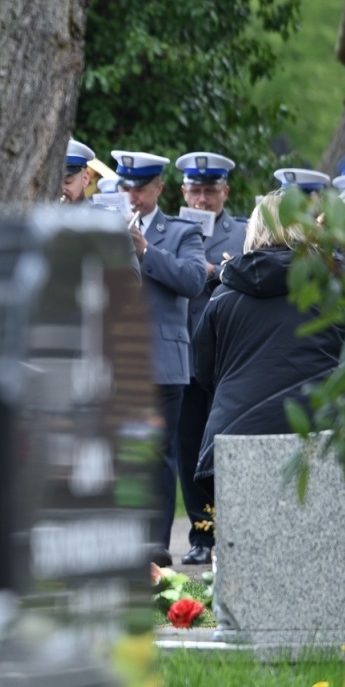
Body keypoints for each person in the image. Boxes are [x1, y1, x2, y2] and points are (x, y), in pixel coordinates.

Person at [191, 196, 344, 504]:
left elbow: (203, 372)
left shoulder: (224, 296)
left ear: (255, 229)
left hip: (237, 437)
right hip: (322, 436)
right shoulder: (337, 291)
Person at [111, 149, 206, 563]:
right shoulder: (101, 226)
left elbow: (192, 281)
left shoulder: (182, 231)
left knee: (160, 458)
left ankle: (156, 549)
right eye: (126, 187)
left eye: (141, 189)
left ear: (159, 189)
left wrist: (146, 250)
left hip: (163, 362)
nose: (132, 197)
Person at [171, 151, 246, 566]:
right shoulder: (174, 231)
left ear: (225, 192)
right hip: (185, 351)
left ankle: (233, 532)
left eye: (210, 191)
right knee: (188, 445)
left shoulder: (242, 233)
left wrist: (219, 270)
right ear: (183, 192)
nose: (202, 200)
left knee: (226, 445)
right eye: (195, 191)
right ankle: (201, 533)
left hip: (228, 356)